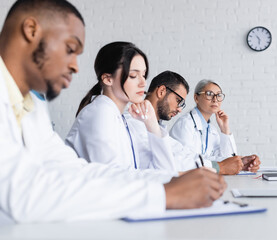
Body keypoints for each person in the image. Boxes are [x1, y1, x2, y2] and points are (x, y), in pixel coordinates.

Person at [0, 0, 226, 223]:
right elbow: (22, 196)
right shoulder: (99, 113)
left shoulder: (31, 104)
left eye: (143, 75)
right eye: (70, 49)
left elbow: (77, 171)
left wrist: (171, 180)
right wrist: (164, 193)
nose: (75, 66)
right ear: (31, 30)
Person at [66, 42, 176, 172]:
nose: (143, 83)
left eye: (144, 75)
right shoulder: (100, 113)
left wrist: (152, 125)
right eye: (133, 76)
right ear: (107, 79)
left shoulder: (121, 119)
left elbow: (165, 172)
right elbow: (113, 180)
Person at [142, 72, 261, 174]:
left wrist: (240, 162)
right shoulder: (184, 125)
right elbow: (179, 162)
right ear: (196, 98)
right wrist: (220, 167)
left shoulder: (212, 129)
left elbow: (187, 155)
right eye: (209, 94)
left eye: (219, 95)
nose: (179, 109)